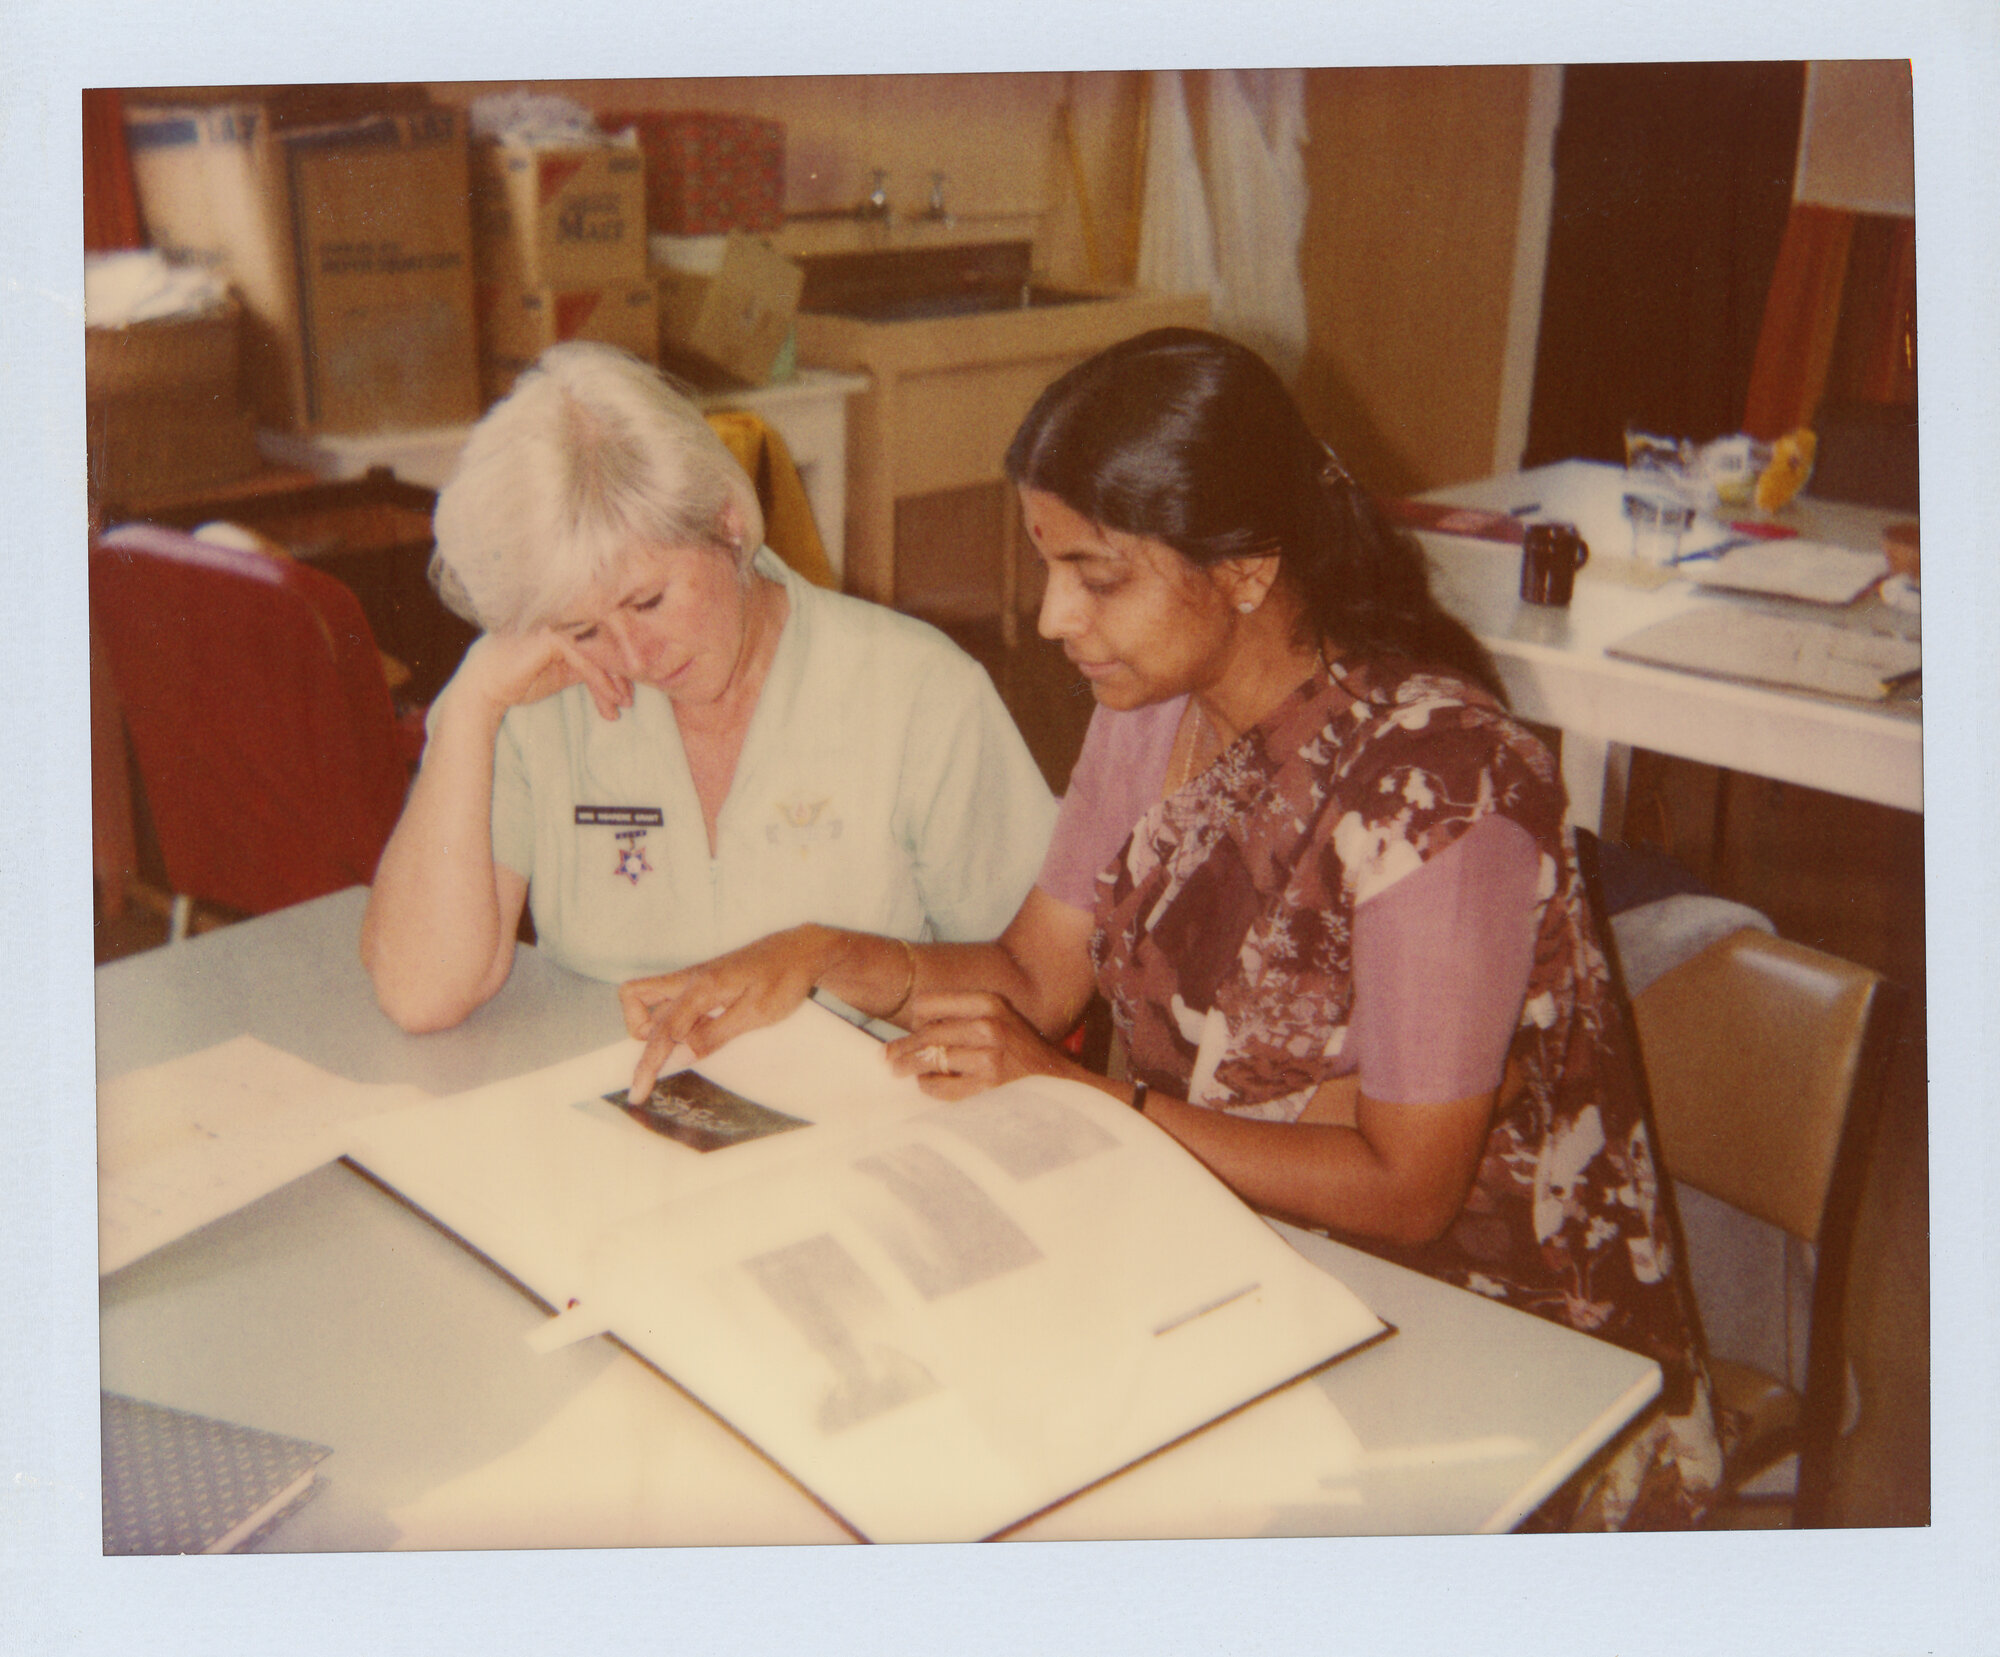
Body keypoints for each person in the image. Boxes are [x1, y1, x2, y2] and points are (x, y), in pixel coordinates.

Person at [619, 327, 1723, 1530]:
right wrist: (827, 953)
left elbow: (1408, 1191)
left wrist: (1086, 1101)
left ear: (1245, 567)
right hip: (1224, 1264)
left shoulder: (1441, 785)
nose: (1050, 619)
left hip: (1484, 1341)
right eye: (1049, 568)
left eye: (1096, 576)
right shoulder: (1155, 709)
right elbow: (1034, 977)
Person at [361, 342, 1056, 1032]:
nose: (633, 655)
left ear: (727, 520)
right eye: (582, 626)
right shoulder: (543, 699)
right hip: (610, 1119)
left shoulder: (920, 692)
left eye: (649, 600)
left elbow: (1032, 988)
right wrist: (471, 708)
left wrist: (849, 964)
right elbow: (422, 992)